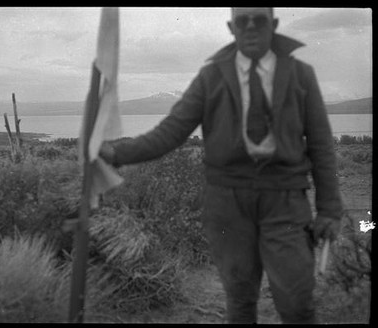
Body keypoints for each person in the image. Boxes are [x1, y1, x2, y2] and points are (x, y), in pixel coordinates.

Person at [99, 7, 343, 324]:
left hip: (285, 202)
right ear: (231, 27)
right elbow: (170, 132)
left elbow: (322, 145)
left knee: (297, 302)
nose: (251, 27)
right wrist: (116, 153)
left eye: (260, 20)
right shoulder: (211, 77)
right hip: (227, 204)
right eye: (243, 21)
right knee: (240, 300)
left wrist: (329, 209)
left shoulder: (301, 75)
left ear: (275, 25)